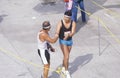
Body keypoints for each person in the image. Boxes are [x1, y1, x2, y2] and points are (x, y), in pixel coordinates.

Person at [56, 10, 76, 78]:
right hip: (62, 41)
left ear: (70, 18)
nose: (65, 18)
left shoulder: (73, 23)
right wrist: (56, 36)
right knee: (67, 57)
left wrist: (69, 35)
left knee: (65, 56)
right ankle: (67, 72)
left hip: (70, 41)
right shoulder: (60, 22)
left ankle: (63, 68)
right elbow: (57, 32)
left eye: (66, 18)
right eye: (64, 17)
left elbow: (73, 32)